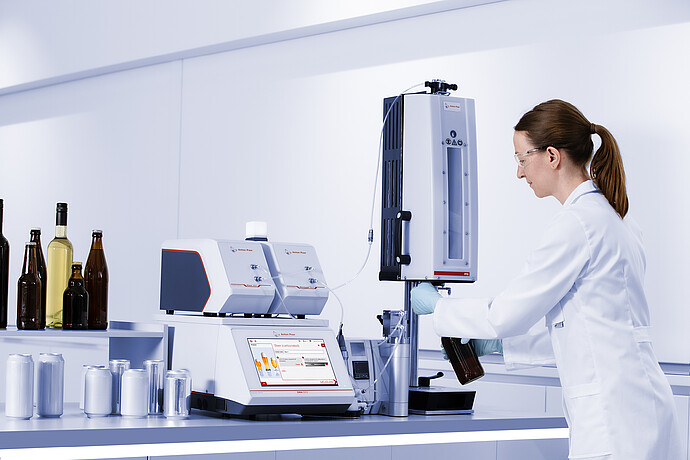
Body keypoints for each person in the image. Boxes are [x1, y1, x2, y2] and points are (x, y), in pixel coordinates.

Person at [411, 100, 683, 460]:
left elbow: (505, 315)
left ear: (552, 156)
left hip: (613, 420)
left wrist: (440, 308)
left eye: (521, 159)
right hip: (644, 407)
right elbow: (589, 330)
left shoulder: (577, 224)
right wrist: (500, 346)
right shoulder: (616, 217)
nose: (519, 173)